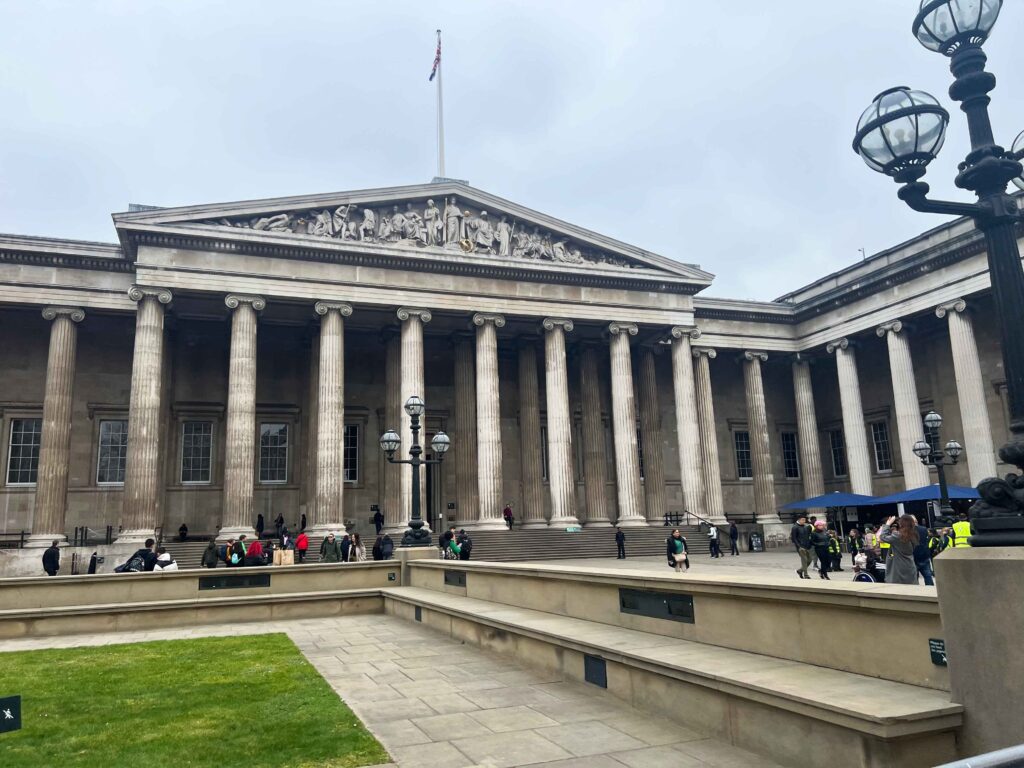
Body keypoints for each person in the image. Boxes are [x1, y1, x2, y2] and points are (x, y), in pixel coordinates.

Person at [878, 515, 921, 585]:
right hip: (910, 564)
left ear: (901, 524)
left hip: (898, 566)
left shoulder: (898, 536)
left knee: (898, 586)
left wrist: (887, 524)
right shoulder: (914, 534)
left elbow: (883, 537)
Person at [913, 520, 935, 586]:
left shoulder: (909, 530)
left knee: (914, 576)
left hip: (914, 556)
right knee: (928, 575)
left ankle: (916, 589)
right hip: (924, 555)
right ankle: (930, 589)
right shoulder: (924, 529)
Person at [791, 515, 813, 580]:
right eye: (803, 520)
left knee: (810, 559)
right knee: (804, 560)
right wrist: (799, 546)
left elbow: (808, 536)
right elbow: (794, 538)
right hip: (800, 547)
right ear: (799, 520)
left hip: (807, 546)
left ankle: (800, 571)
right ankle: (806, 575)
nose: (804, 521)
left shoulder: (806, 526)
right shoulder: (795, 527)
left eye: (804, 520)